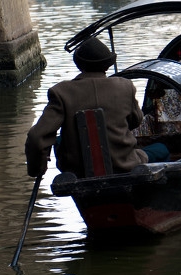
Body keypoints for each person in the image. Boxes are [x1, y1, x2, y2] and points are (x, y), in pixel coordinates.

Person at [24, 36, 168, 179]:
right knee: (162, 149)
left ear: (79, 64)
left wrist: (38, 169)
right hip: (124, 164)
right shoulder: (125, 86)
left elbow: (36, 137)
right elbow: (135, 121)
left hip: (77, 171)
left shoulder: (61, 92)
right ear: (107, 65)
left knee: (61, 139)